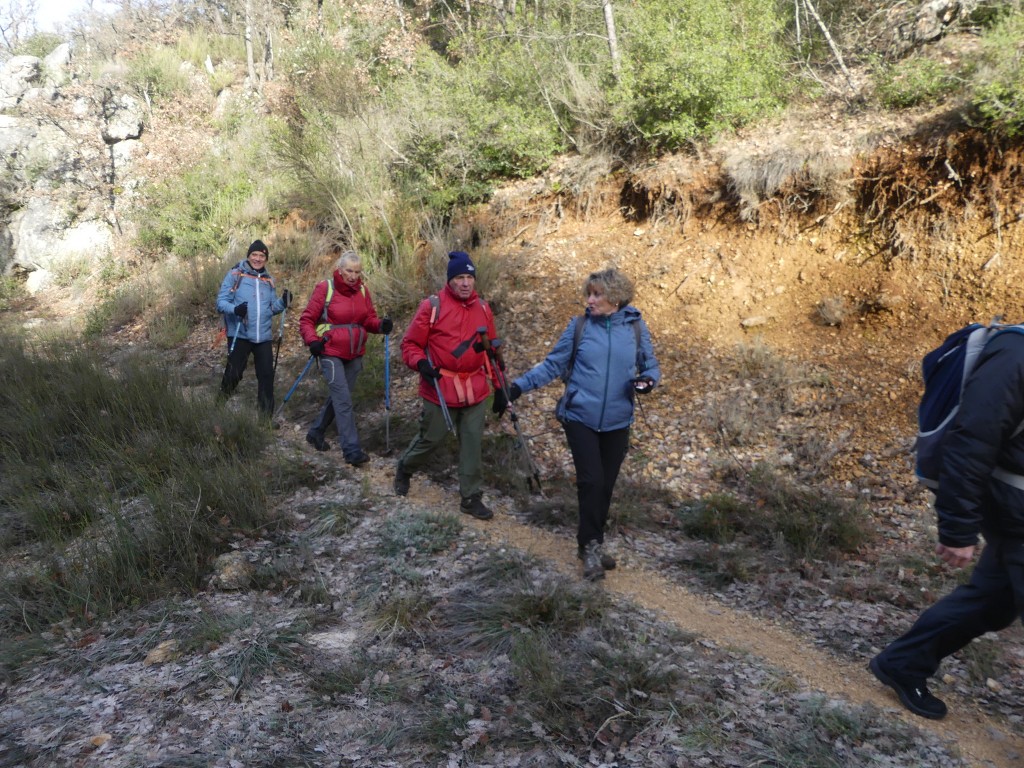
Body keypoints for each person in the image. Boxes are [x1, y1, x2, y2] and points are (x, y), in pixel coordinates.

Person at [870, 329, 1024, 720]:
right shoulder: (1015, 355)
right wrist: (958, 528)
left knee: (994, 598)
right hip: (1012, 502)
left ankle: (904, 663)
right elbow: (971, 441)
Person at [506, 268, 660, 581]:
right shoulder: (578, 327)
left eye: (597, 294)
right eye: (588, 293)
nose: (589, 300)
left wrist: (648, 381)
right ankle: (590, 546)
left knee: (605, 485)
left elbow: (651, 365)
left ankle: (590, 540)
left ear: (615, 298)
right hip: (580, 416)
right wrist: (518, 387)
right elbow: (553, 364)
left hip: (618, 419)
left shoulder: (635, 327)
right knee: (591, 480)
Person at [394, 250, 503, 520]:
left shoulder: (484, 309)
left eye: (469, 277)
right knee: (432, 439)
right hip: (440, 386)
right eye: (460, 278)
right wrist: (421, 364)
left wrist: (500, 387)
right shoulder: (432, 306)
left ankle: (471, 497)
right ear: (450, 280)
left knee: (472, 442)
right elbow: (410, 344)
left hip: (475, 387)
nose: (465, 283)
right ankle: (406, 467)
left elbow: (492, 352)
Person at [299, 249, 392, 466]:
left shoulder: (362, 291)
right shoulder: (326, 288)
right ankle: (351, 450)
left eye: (357, 272)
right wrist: (312, 341)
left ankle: (316, 432)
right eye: (349, 270)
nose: (352, 275)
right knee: (343, 400)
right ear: (340, 269)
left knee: (340, 398)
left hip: (354, 353)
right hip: (329, 351)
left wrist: (380, 326)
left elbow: (368, 319)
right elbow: (306, 320)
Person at [217, 239, 291, 417]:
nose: (258, 258)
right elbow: (220, 303)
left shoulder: (269, 281)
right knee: (234, 374)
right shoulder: (236, 275)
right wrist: (235, 309)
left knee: (266, 376)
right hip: (240, 333)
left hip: (263, 337)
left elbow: (271, 308)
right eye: (254, 255)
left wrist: (283, 302)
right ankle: (218, 407)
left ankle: (265, 420)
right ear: (248, 256)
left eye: (262, 255)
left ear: (266, 258)